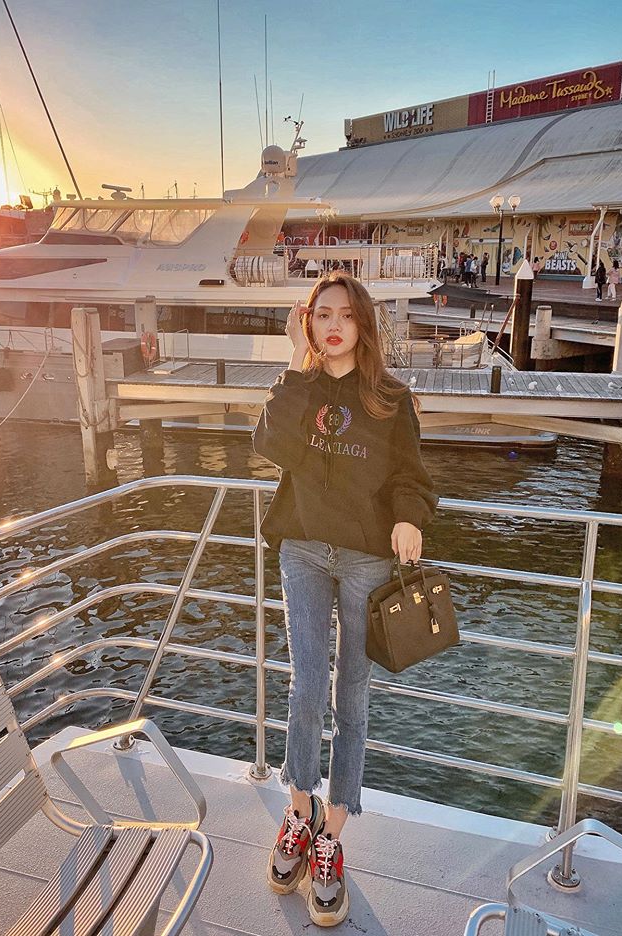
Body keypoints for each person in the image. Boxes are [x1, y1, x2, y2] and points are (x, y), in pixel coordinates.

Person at [253, 272, 437, 927]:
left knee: (350, 695)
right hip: (302, 549)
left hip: (365, 558)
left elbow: (412, 476)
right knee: (306, 687)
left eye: (345, 315)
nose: (333, 325)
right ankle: (297, 814)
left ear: (363, 324)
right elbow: (269, 446)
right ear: (308, 323)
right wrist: (295, 366)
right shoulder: (297, 387)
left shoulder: (390, 398)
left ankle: (331, 835)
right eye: (322, 314)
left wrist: (409, 517)